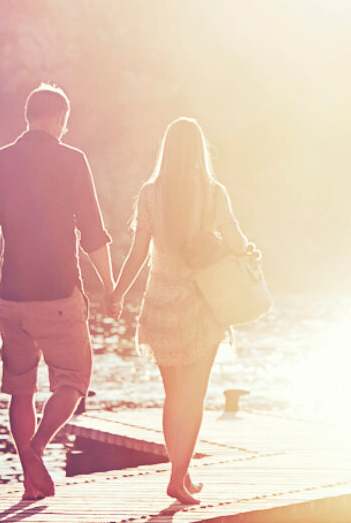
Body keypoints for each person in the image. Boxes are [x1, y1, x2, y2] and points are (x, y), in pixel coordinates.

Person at [0, 83, 116, 501]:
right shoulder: (72, 160)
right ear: (60, 118)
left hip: (10, 298)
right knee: (73, 380)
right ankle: (37, 449)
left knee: (20, 388)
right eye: (65, 121)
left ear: (28, 116)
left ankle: (30, 480)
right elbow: (93, 234)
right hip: (60, 297)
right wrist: (111, 287)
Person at [109, 117, 256, 505]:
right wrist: (246, 253)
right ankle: (177, 478)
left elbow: (138, 253)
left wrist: (117, 292)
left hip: (158, 306)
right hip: (201, 307)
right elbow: (236, 241)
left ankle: (182, 472)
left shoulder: (149, 194)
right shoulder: (213, 193)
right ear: (199, 151)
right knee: (194, 397)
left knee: (174, 397)